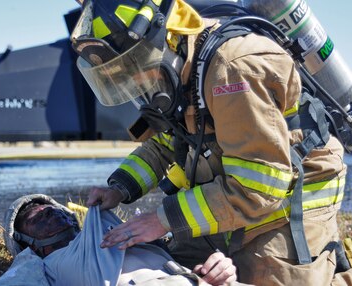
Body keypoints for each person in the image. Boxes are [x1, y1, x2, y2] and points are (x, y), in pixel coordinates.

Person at [70, 0, 352, 285]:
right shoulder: (183, 73)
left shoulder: (234, 70)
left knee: (263, 278)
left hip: (285, 203)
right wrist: (119, 189)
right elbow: (167, 144)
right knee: (172, 267)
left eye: (137, 66)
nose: (137, 80)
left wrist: (160, 220)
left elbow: (259, 186)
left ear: (168, 39)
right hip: (234, 195)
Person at [0, 194, 238, 286]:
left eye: (53, 209)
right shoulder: (38, 265)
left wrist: (220, 267)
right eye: (37, 218)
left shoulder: (122, 233)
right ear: (28, 244)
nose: (51, 212)